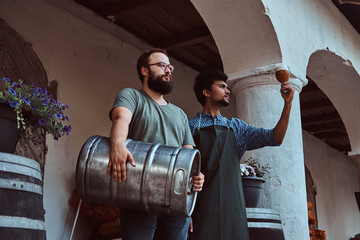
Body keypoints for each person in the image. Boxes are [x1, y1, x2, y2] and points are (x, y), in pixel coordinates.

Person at [107, 48, 205, 240]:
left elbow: (189, 157)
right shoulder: (132, 96)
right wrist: (118, 143)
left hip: (176, 200)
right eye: (162, 65)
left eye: (170, 67)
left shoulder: (180, 114)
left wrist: (196, 176)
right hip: (138, 193)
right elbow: (121, 118)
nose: (168, 70)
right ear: (145, 71)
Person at [188, 70, 294, 240]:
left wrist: (288, 104)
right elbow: (186, 172)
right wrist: (187, 214)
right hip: (202, 207)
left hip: (234, 206)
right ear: (206, 92)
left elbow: (275, 138)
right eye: (222, 86)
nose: (228, 90)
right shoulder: (191, 127)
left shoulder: (237, 127)